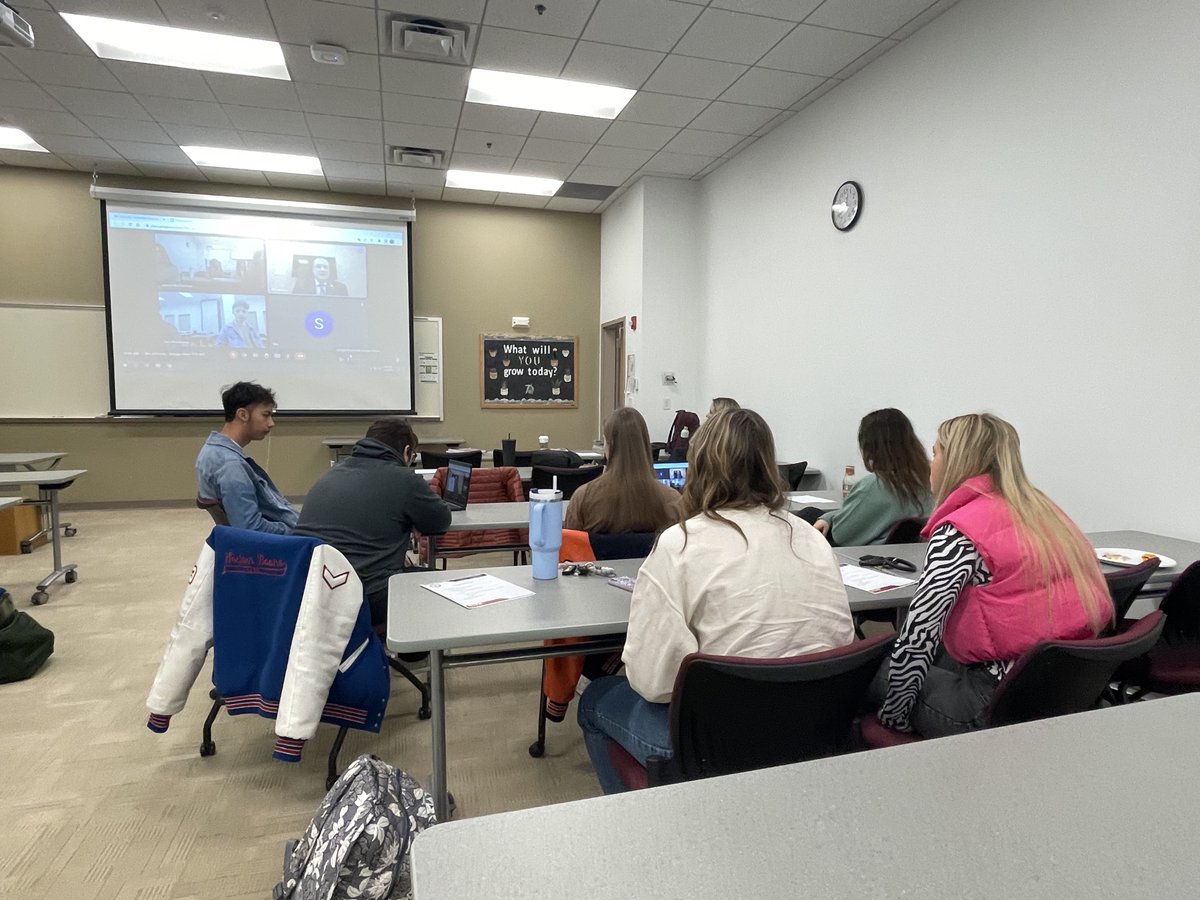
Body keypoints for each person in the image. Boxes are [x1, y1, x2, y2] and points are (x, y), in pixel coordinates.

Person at [577, 408, 855, 793]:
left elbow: (654, 682)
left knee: (595, 700)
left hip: (720, 741)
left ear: (698, 466)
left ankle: (639, 828)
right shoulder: (812, 537)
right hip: (815, 725)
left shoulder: (680, 545)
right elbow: (841, 638)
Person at [876, 413, 1113, 737]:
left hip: (995, 706)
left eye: (936, 453)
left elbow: (919, 636)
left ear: (955, 461)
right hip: (1062, 693)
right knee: (940, 655)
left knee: (879, 668)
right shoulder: (1048, 513)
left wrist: (895, 719)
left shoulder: (959, 531)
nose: (930, 463)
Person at [294, 418, 452, 627]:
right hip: (365, 593)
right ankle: (415, 654)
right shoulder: (404, 479)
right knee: (447, 589)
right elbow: (440, 521)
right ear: (406, 451)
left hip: (309, 591)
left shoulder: (332, 473)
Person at [812, 408, 933, 545]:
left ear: (868, 447)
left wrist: (827, 518)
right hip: (907, 556)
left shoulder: (874, 486)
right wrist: (829, 517)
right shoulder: (928, 480)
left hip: (863, 557)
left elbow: (841, 534)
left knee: (808, 515)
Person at [195, 381, 297, 534]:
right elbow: (251, 528)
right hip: (283, 544)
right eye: (266, 415)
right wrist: (296, 531)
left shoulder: (211, 450)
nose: (271, 423)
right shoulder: (231, 465)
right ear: (242, 414)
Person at [564, 407, 681, 534]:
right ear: (645, 444)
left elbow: (571, 546)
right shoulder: (673, 500)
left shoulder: (584, 498)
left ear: (610, 445)